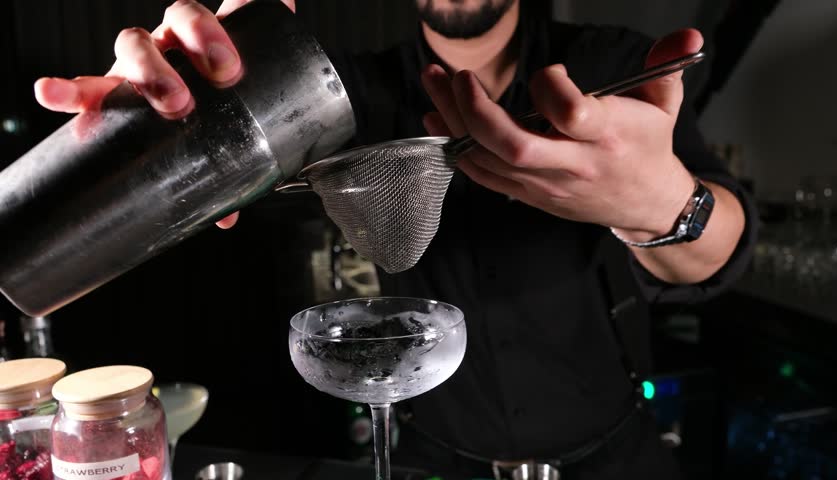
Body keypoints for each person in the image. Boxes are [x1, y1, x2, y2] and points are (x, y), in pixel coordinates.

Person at [34, 0, 757, 478]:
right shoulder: (342, 94)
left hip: (613, 456)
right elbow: (216, 132)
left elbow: (722, 247)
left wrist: (661, 205)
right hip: (427, 460)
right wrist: (169, 112)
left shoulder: (609, 64)